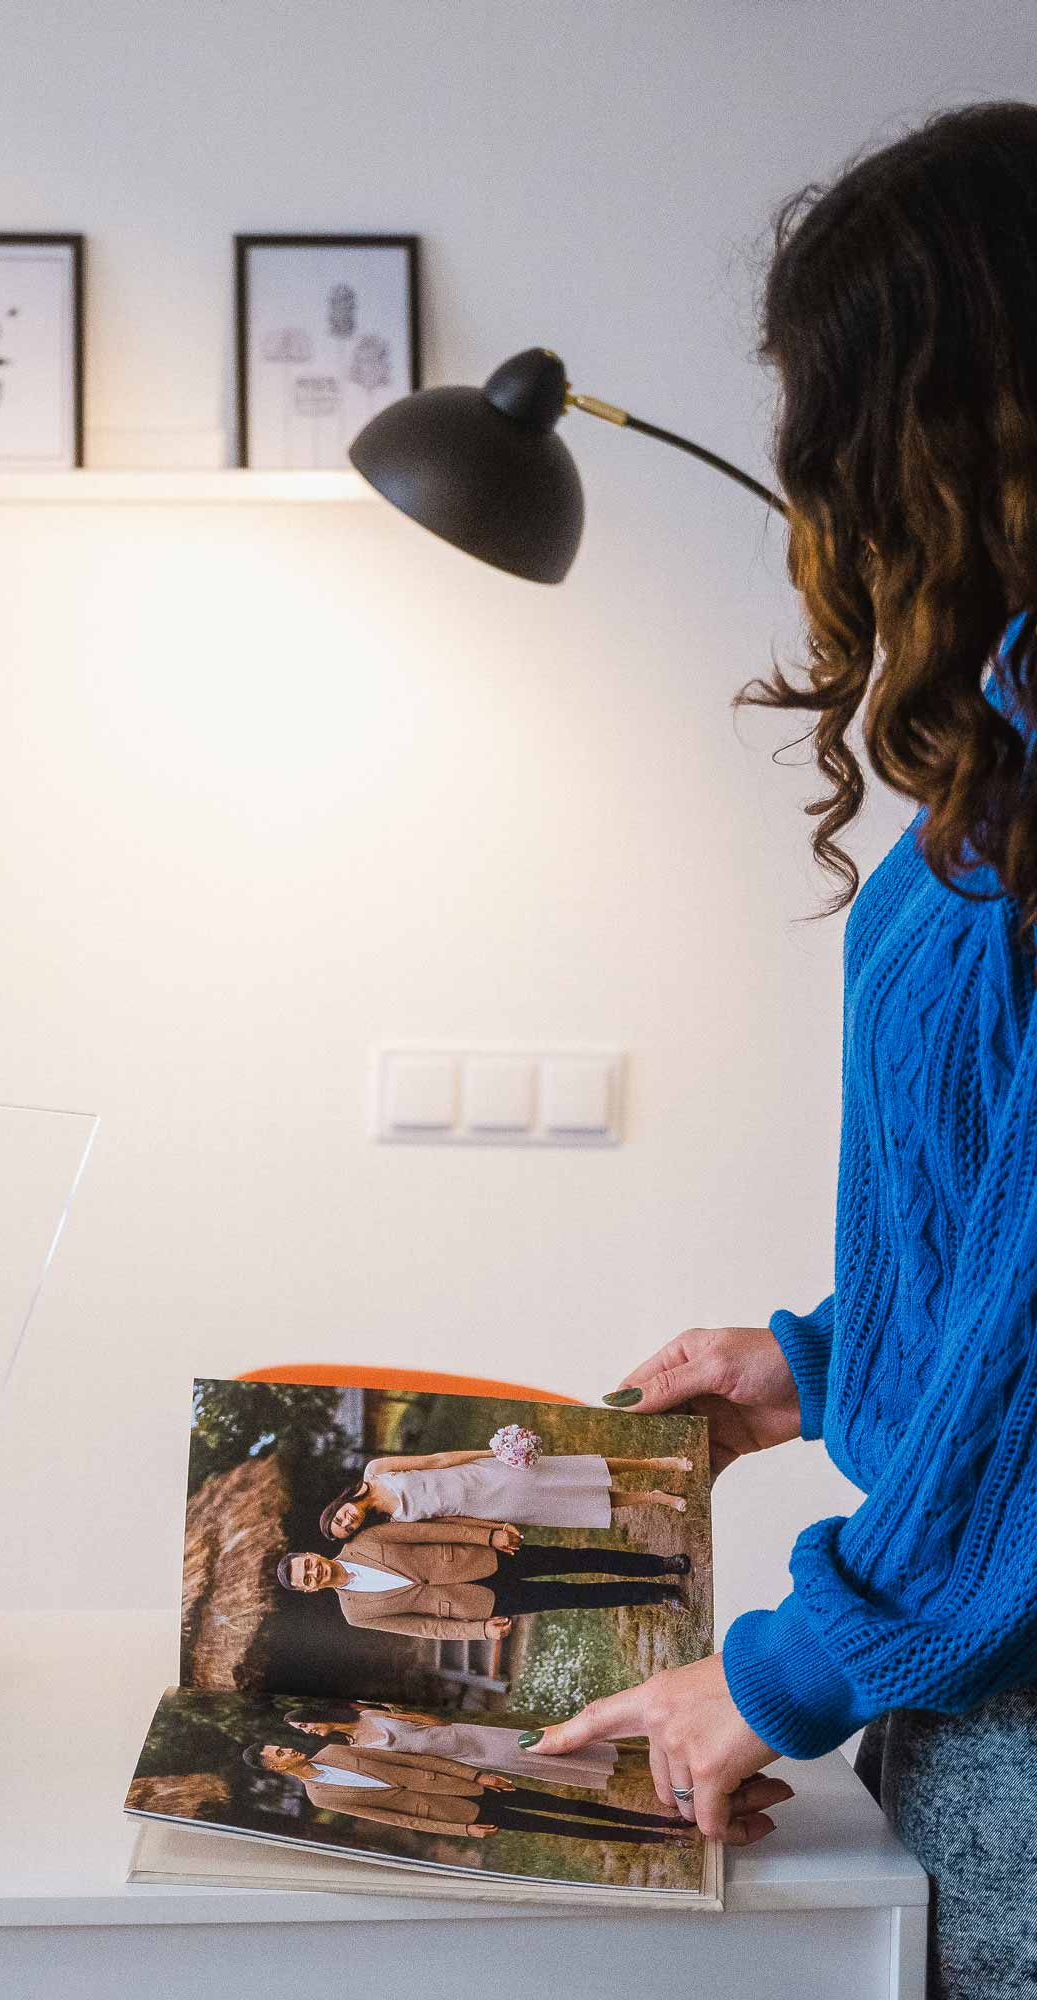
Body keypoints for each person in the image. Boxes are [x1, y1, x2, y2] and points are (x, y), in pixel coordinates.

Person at [520, 103, 1037, 1999]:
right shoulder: (1005, 746)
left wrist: (777, 1676)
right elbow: (1006, 1217)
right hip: (978, 1684)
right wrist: (825, 1361)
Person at [276, 1518, 688, 1641]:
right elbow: (425, 1628)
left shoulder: (366, 1539)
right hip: (480, 1605)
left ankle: (661, 1564)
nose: (314, 1571)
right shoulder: (356, 1615)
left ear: (313, 1555)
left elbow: (430, 1532)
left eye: (307, 1564)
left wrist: (486, 1535)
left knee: (575, 1557)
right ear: (310, 1590)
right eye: (306, 1579)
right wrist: (479, 1632)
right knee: (571, 1596)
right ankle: (657, 1595)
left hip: (482, 1558)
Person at [241, 1739, 706, 1847]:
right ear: (278, 1769)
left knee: (559, 1802)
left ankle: (663, 1820)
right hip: (452, 1811)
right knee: (556, 1826)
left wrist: (476, 1776)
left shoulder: (333, 1748)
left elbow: (413, 1763)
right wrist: (461, 1827)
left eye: (280, 1745)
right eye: (278, 1755)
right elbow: (398, 1818)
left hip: (462, 1784)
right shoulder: (323, 1799)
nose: (286, 1749)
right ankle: (656, 1838)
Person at [318, 1446, 691, 1542]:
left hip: (483, 1474)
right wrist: (491, 1528)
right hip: (492, 1505)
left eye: (339, 1518)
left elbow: (436, 1459)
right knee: (577, 1504)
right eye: (346, 1529)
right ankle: (655, 1497)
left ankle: (657, 1463)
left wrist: (488, 1454)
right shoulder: (395, 1519)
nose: (347, 1521)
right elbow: (451, 1520)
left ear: (340, 1506)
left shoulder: (376, 1472)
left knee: (575, 1471)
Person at [284, 1698, 620, 1791]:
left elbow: (422, 1719)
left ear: (317, 1714)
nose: (308, 1730)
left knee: (528, 1744)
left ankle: (614, 1747)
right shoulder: (355, 1747)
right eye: (302, 1729)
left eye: (306, 1723)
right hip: (458, 1756)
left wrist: (443, 1730)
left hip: (458, 1736)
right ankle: (608, 1768)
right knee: (530, 1762)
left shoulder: (369, 1713)